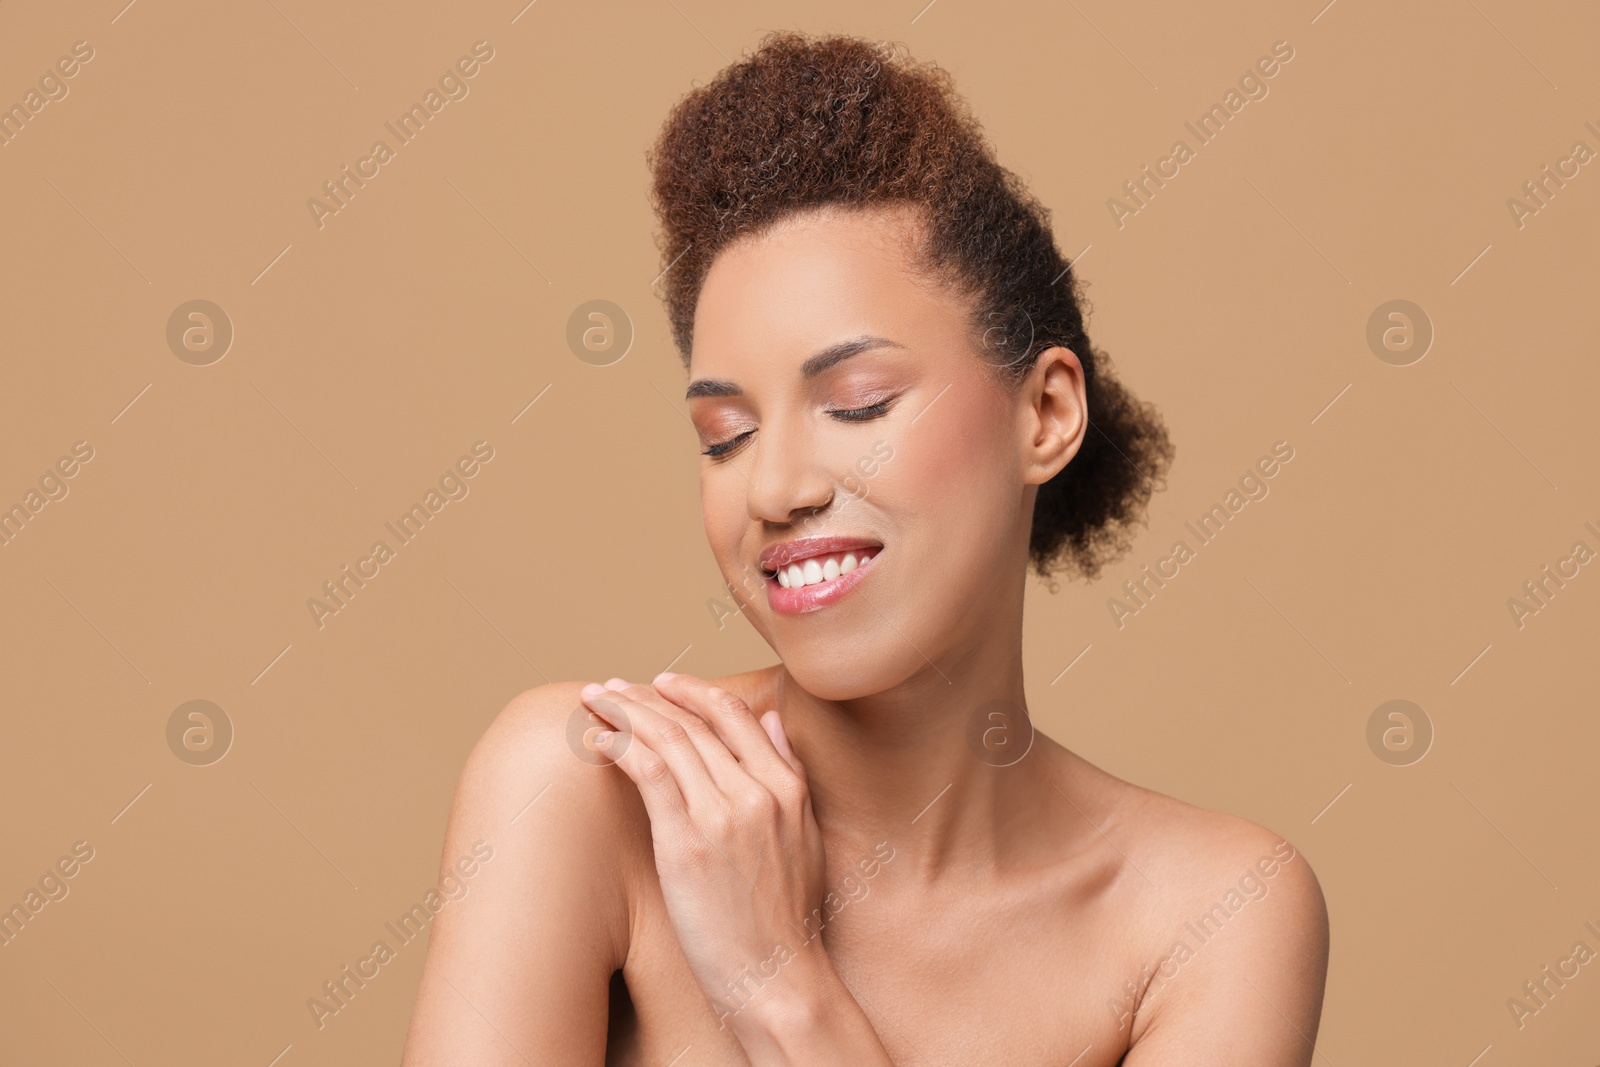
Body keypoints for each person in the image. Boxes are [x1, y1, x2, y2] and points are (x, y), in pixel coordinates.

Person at [402, 30, 1328, 1066]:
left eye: (857, 404)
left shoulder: (1212, 915)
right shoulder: (585, 790)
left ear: (1047, 413)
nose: (778, 486)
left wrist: (779, 987)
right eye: (727, 434)